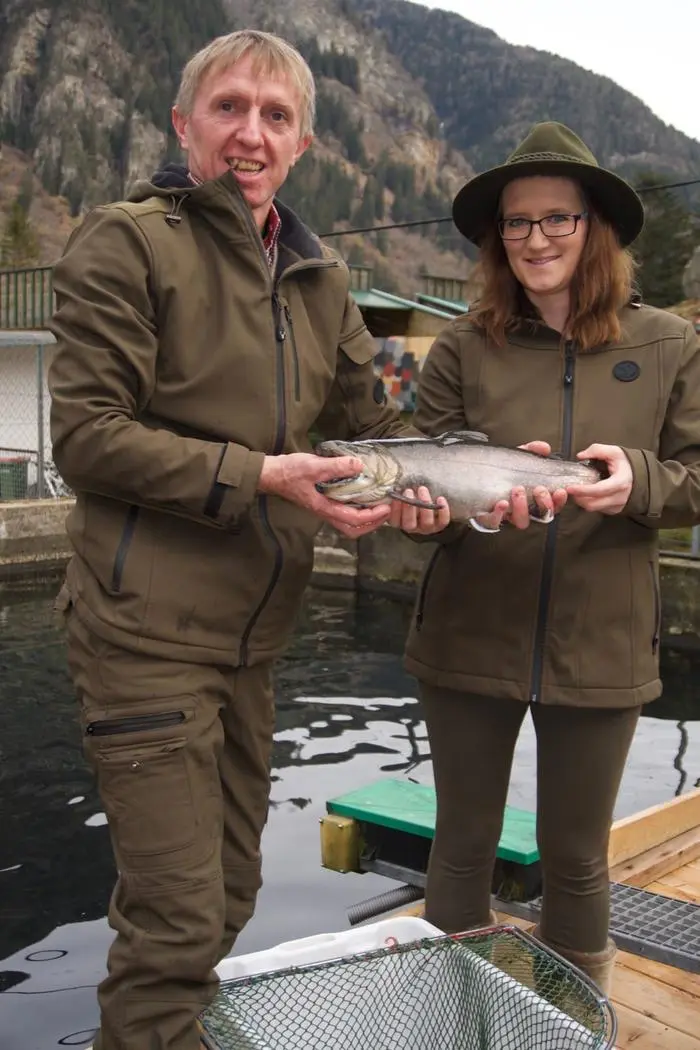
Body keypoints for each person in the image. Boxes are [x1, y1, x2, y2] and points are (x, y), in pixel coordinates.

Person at [46, 29, 463, 1050]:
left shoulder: (321, 279)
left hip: (253, 643)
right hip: (143, 635)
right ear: (183, 124)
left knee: (230, 893)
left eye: (276, 116)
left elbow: (372, 432)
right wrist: (262, 476)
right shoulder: (127, 242)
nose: (251, 132)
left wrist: (450, 487)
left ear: (303, 145)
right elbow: (88, 438)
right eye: (228, 107)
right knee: (175, 926)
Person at [401, 121, 700, 995]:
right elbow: (425, 487)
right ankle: (452, 1015)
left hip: (603, 639)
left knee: (576, 856)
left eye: (556, 219)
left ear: (593, 226)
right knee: (461, 845)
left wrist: (638, 482)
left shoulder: (670, 343)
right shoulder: (462, 345)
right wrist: (427, 518)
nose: (535, 239)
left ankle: (572, 1015)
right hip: (467, 633)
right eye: (516, 222)